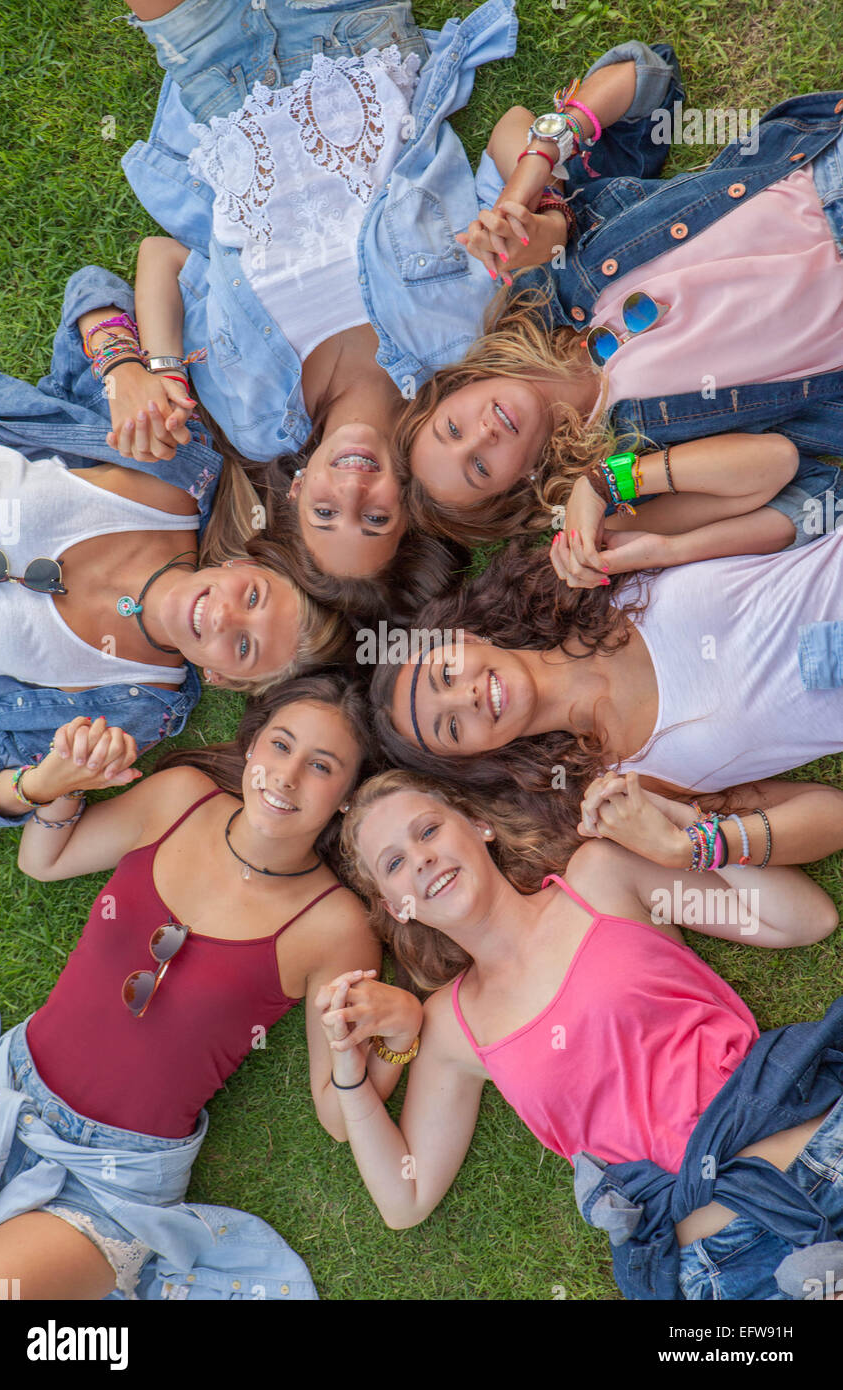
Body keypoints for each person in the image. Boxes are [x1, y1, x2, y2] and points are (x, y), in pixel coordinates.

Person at [115, 5, 671, 592]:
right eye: (374, 519)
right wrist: (530, 211)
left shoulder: (250, 417)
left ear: (298, 489)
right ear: (408, 504)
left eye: (325, 514)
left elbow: (164, 256)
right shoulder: (468, 345)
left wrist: (161, 370)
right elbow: (514, 139)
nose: (351, 493)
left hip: (217, 89)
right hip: (351, 44)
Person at [0, 675, 423, 1299]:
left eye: (321, 767)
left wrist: (401, 1035)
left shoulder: (334, 926)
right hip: (5, 1092)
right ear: (252, 747)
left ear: (347, 797)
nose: (287, 776)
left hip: (114, 1183)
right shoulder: (178, 801)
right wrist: (58, 786)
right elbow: (44, 861)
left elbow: (338, 1113)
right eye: (280, 745)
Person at [320, 770, 843, 1301]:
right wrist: (348, 1067)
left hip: (825, 1152)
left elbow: (804, 920)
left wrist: (686, 834)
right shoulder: (452, 1028)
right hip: (728, 1272)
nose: (421, 859)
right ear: (395, 907)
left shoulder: (602, 877)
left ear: (479, 826)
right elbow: (404, 1199)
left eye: (428, 831)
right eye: (394, 864)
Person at [396, 66, 843, 549]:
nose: (481, 435)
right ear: (518, 486)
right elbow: (786, 473)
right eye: (479, 468)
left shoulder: (545, 288)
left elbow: (643, 74)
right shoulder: (623, 464)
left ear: (457, 386)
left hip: (823, 182)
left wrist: (530, 196)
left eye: (452, 428)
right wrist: (605, 490)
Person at [0, 272, 348, 830]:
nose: (224, 616)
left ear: (224, 680)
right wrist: (124, 369)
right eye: (252, 595)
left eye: (244, 646)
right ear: (240, 565)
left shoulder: (136, 707)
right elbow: (92, 290)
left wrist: (46, 782)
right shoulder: (174, 469)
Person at [370, 533, 843, 859]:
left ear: (466, 640)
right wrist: (689, 849)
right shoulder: (627, 785)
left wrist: (606, 483)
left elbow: (773, 468)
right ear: (478, 756)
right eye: (451, 727)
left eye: (446, 675)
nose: (466, 698)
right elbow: (831, 815)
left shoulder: (592, 574)